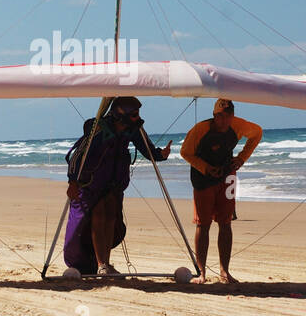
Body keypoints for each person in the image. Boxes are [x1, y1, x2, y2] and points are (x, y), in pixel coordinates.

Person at [64, 96, 171, 277]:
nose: (138, 119)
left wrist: (161, 154)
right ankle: (100, 264)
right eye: (134, 115)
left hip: (114, 182)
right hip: (92, 182)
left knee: (111, 216)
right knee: (98, 215)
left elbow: (147, 149)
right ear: (121, 114)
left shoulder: (133, 129)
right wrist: (72, 181)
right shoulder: (98, 130)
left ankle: (105, 262)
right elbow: (77, 155)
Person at [180, 99, 262, 284]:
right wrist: (206, 168)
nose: (223, 120)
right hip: (203, 178)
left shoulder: (239, 125)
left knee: (225, 223)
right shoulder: (200, 129)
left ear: (232, 115)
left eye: (227, 116)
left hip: (228, 176)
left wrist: (241, 158)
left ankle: (225, 271)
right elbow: (185, 152)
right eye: (219, 116)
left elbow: (257, 133)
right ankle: (201, 272)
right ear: (214, 115)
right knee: (203, 223)